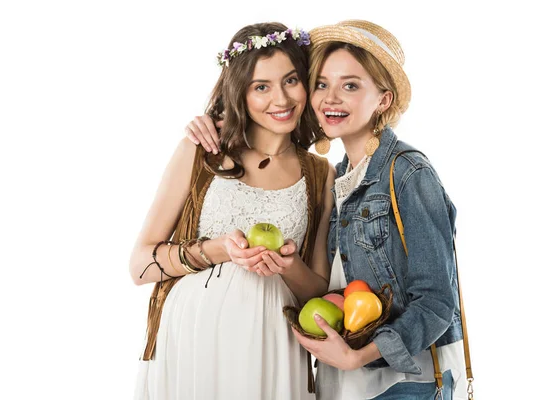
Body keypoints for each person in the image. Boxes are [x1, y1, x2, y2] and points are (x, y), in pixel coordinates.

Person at [186, 19, 468, 400]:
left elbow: (436, 301)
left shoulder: (407, 172)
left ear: (383, 99)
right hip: (342, 385)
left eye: (350, 85)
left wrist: (359, 356)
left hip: (403, 384)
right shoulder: (336, 178)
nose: (330, 98)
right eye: (322, 84)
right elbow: (333, 287)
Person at [129, 22, 335, 400]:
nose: (281, 99)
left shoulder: (320, 174)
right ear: (239, 92)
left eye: (291, 80)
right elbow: (140, 265)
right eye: (261, 87)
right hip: (193, 340)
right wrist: (218, 250)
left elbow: (319, 290)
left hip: (272, 347)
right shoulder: (201, 152)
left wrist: (289, 267)